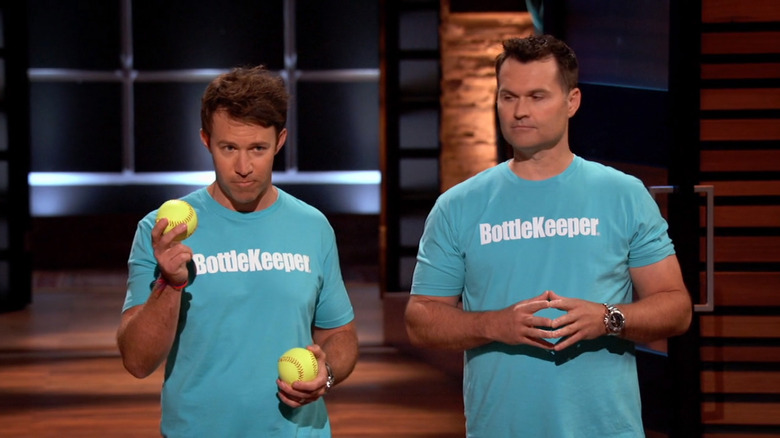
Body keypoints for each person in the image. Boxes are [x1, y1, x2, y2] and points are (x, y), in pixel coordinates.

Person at [405, 34, 692, 437]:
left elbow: (676, 307)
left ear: (571, 101)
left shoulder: (623, 194)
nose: (520, 111)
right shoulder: (457, 206)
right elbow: (421, 319)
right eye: (508, 97)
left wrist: (607, 318)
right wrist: (494, 325)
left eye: (537, 96)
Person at [117, 65, 359, 437]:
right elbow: (137, 361)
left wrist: (325, 375)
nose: (243, 167)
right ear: (205, 140)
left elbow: (339, 334)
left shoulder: (313, 226)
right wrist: (170, 283)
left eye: (258, 149)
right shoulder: (162, 231)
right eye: (228, 148)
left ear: (280, 142)